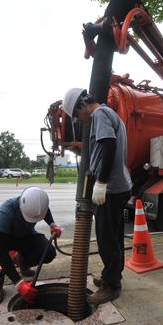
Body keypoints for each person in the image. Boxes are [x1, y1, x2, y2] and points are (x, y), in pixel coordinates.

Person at [62, 88, 132, 305]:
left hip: (110, 188)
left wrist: (101, 182)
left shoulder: (100, 114)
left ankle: (112, 285)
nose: (79, 120)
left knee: (106, 238)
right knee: (115, 235)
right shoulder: (109, 113)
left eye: (76, 115)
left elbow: (109, 144)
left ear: (81, 106)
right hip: (119, 186)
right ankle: (112, 276)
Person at [0, 186, 62, 305]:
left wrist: (52, 224)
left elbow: (44, 210)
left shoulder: (37, 204)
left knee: (49, 252)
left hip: (25, 235)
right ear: (21, 206)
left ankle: (22, 261)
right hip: (4, 238)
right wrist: (19, 283)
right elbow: (1, 252)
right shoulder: (5, 212)